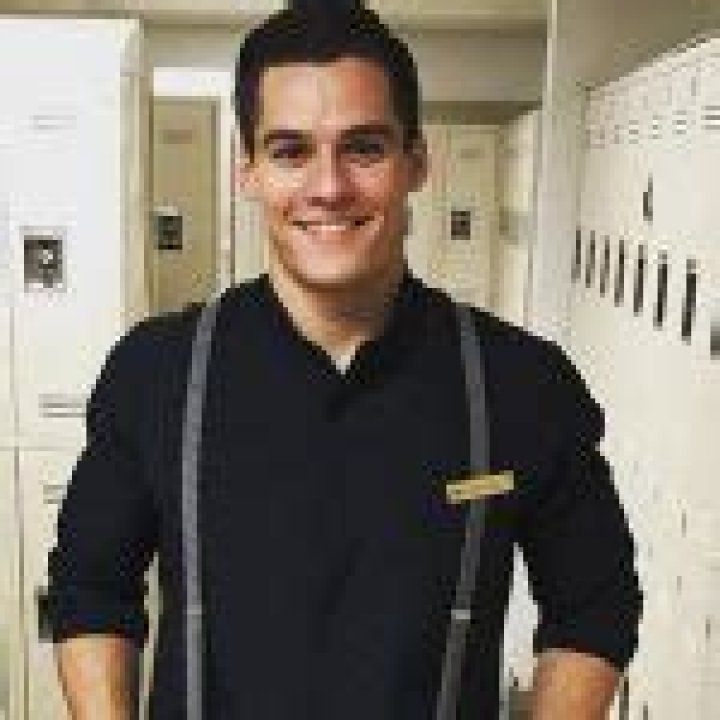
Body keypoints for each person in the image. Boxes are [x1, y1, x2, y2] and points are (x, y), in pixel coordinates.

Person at [48, 1, 642, 718]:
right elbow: (91, 590)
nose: (328, 187)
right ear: (248, 169)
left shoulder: (522, 383)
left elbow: (594, 605)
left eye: (363, 148)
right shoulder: (155, 373)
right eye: (290, 151)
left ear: (416, 161)